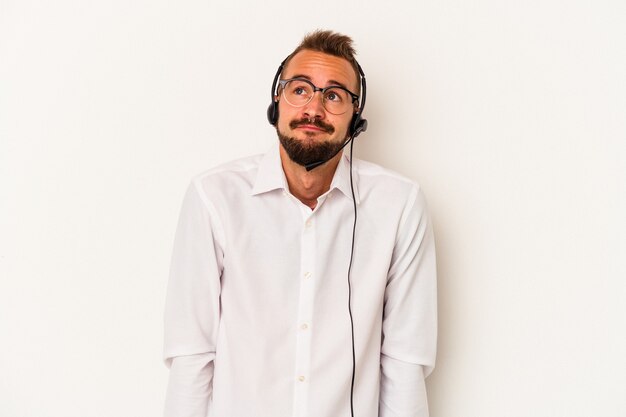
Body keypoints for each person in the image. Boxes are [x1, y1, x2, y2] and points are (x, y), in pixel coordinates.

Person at [163, 30, 437, 417]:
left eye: (334, 95)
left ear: (355, 120)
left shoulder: (399, 205)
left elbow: (404, 364)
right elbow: (192, 355)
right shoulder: (215, 198)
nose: (314, 108)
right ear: (277, 101)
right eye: (300, 89)